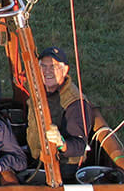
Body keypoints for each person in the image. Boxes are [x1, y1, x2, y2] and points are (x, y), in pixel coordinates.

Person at [26, 47, 95, 180]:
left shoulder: (75, 103)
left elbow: (80, 145)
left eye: (54, 67)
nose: (47, 71)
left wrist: (61, 143)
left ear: (65, 70)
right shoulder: (40, 90)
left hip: (63, 169)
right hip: (38, 160)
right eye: (43, 66)